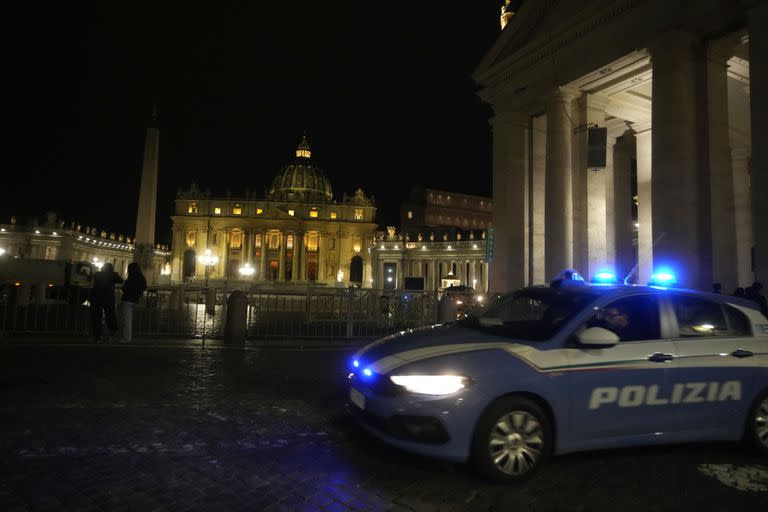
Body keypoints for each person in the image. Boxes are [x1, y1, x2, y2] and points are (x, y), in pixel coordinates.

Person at [90, 262, 124, 342]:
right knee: (110, 315)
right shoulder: (112, 275)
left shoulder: (97, 274)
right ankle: (111, 333)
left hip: (96, 298)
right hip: (108, 298)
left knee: (97, 318)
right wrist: (114, 274)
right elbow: (121, 280)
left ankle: (97, 336)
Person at [120, 262, 147, 342]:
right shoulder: (141, 277)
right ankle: (128, 337)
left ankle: (127, 338)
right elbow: (144, 287)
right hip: (136, 300)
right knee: (129, 319)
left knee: (126, 320)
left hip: (127, 300)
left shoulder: (131, 278)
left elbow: (124, 288)